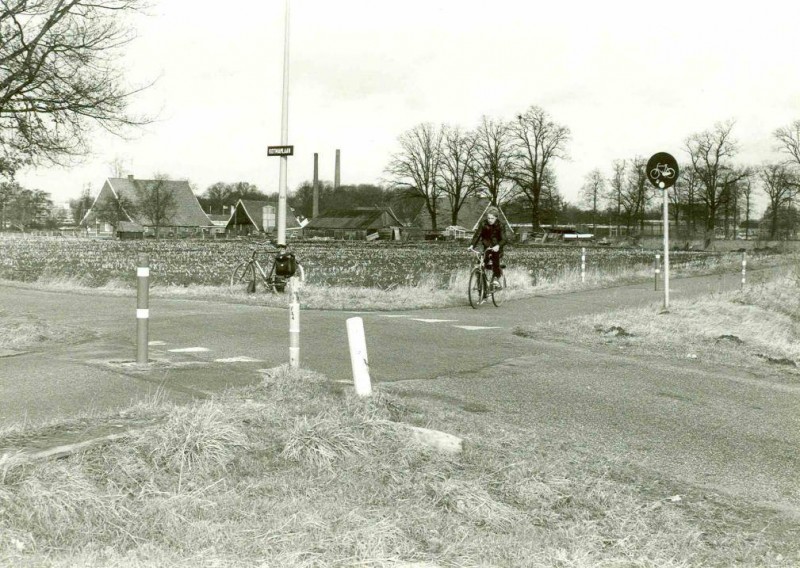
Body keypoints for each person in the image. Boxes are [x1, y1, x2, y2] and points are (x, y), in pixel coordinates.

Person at [468, 206, 506, 288]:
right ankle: (482, 291)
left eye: (492, 218)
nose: (490, 220)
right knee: (480, 267)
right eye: (488, 218)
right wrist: (472, 245)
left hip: (497, 249)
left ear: (496, 218)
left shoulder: (500, 225)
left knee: (495, 259)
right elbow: (477, 235)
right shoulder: (483, 224)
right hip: (487, 249)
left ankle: (496, 279)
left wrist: (498, 246)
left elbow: (504, 239)